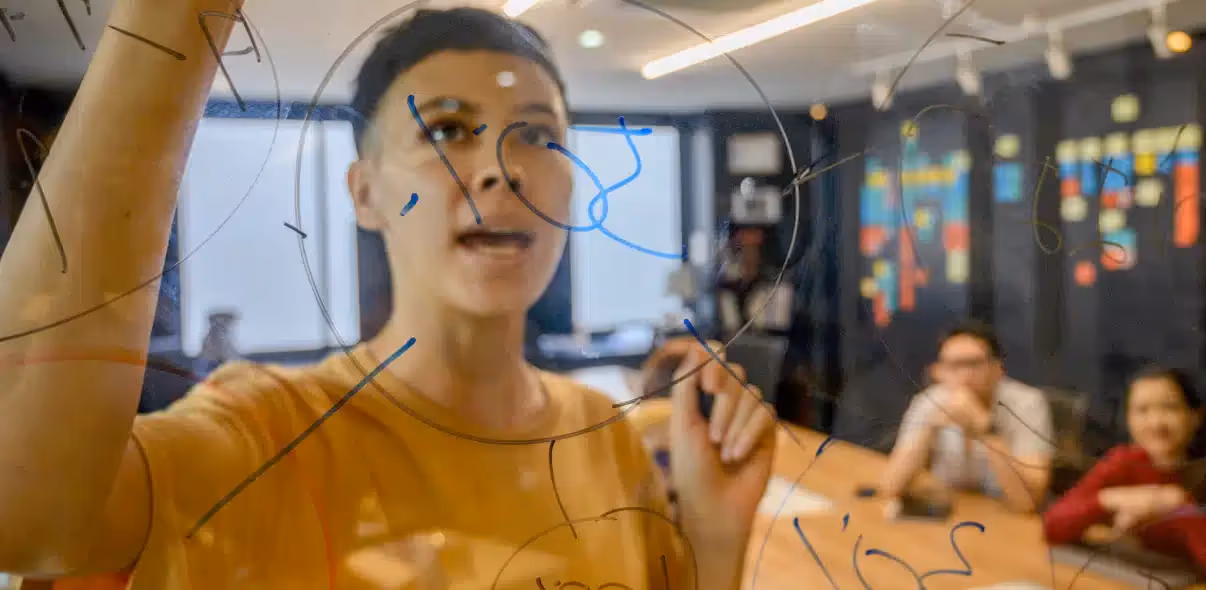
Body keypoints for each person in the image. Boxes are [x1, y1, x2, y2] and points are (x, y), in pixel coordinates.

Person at [0, 6, 776, 590]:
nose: (500, 170)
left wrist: (713, 543)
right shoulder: (268, 433)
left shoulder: (601, 434)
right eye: (447, 131)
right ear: (364, 193)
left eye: (537, 135)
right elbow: (22, 518)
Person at [1042, 367, 1206, 587]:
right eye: (1142, 410)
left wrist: (1177, 505)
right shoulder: (1125, 460)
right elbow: (1052, 526)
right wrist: (1112, 499)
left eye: (1170, 408)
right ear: (1129, 419)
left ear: (1195, 416)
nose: (1156, 423)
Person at [878, 320, 1054, 514]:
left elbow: (1027, 503)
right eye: (953, 366)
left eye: (974, 364)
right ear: (939, 372)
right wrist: (928, 428)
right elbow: (890, 486)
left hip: (1007, 517)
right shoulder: (929, 401)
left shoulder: (1027, 403)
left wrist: (986, 429)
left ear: (997, 368)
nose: (965, 375)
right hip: (956, 512)